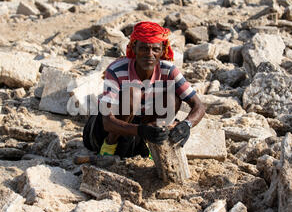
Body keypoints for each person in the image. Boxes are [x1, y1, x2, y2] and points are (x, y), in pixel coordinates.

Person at [83, 21, 206, 158]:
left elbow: (198, 105)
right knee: (132, 92)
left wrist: (187, 125)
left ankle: (153, 145)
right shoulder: (117, 70)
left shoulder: (168, 71)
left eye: (155, 49)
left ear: (162, 51)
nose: (150, 54)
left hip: (143, 131)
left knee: (172, 98)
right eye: (144, 48)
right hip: (110, 131)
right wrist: (141, 130)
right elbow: (107, 121)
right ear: (134, 48)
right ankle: (109, 147)